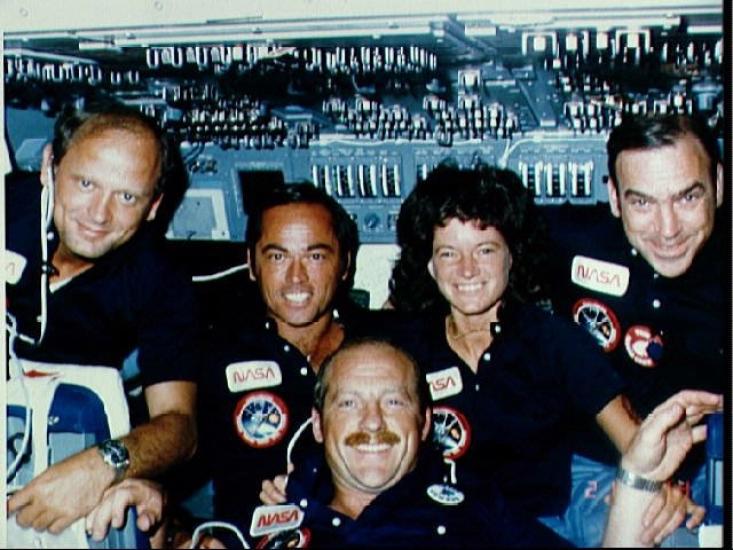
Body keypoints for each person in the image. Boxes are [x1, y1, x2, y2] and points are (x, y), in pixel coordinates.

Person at [87, 339, 723, 548]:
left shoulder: (474, 505)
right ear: (317, 423)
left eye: (393, 403)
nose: (372, 423)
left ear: (422, 426)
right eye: (348, 404)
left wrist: (637, 477)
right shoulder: (266, 514)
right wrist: (154, 504)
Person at [387, 163, 689, 546]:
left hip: (552, 521)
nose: (467, 270)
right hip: (453, 524)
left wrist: (665, 488)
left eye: (485, 250)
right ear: (430, 264)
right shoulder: (403, 350)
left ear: (511, 256)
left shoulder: (552, 340)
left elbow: (631, 436)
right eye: (449, 254)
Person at [6, 102, 200, 534]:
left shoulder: (160, 280)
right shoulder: (7, 211)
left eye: (127, 196)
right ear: (49, 168)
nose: (99, 214)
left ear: (153, 207)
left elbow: (180, 426)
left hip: (67, 437)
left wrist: (103, 465)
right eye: (86, 183)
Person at [544, 113, 725, 540]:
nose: (668, 230)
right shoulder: (570, 242)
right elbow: (454, 257)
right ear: (614, 197)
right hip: (596, 465)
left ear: (718, 183)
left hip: (708, 466)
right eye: (642, 202)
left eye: (687, 197)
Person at [197, 183, 404, 526]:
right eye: (278, 256)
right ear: (252, 264)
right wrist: (179, 532)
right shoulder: (214, 357)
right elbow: (168, 467)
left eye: (316, 256)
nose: (297, 278)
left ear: (345, 265)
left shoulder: (392, 347)